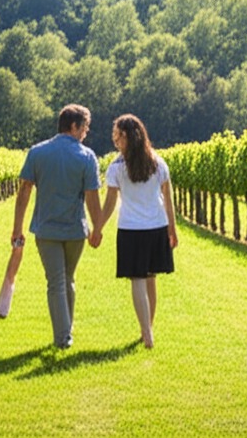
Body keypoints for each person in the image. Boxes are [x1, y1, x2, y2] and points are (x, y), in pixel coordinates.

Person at [12, 104, 102, 349]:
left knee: (57, 282)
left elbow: (24, 191)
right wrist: (98, 228)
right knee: (67, 279)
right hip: (75, 230)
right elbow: (92, 197)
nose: (86, 132)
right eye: (84, 127)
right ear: (73, 126)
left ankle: (63, 336)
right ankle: (65, 333)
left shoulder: (37, 153)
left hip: (47, 229)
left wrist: (17, 228)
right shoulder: (87, 157)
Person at [92, 114, 177, 349]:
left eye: (116, 136)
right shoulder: (158, 163)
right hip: (157, 227)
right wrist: (172, 229)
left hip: (131, 229)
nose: (115, 141)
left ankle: (147, 333)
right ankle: (147, 330)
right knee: (151, 278)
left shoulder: (117, 167)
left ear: (126, 136)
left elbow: (109, 203)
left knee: (138, 279)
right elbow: (168, 199)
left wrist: (98, 228)